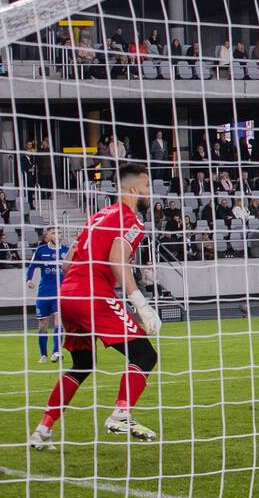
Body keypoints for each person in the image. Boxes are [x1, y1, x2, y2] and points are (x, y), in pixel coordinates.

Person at [29, 164, 162, 451]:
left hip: (68, 295)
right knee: (144, 354)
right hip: (93, 295)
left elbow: (67, 263)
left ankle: (42, 430)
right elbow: (117, 260)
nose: (150, 192)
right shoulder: (131, 222)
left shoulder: (96, 217)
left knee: (82, 365)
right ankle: (121, 413)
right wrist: (141, 304)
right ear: (133, 188)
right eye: (147, 186)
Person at [25, 227, 69, 363]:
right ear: (47, 236)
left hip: (60, 293)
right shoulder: (41, 250)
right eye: (53, 233)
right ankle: (43, 354)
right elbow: (31, 266)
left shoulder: (67, 251)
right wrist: (28, 280)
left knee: (58, 321)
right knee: (43, 324)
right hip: (44, 293)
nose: (57, 235)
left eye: (59, 232)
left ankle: (56, 352)